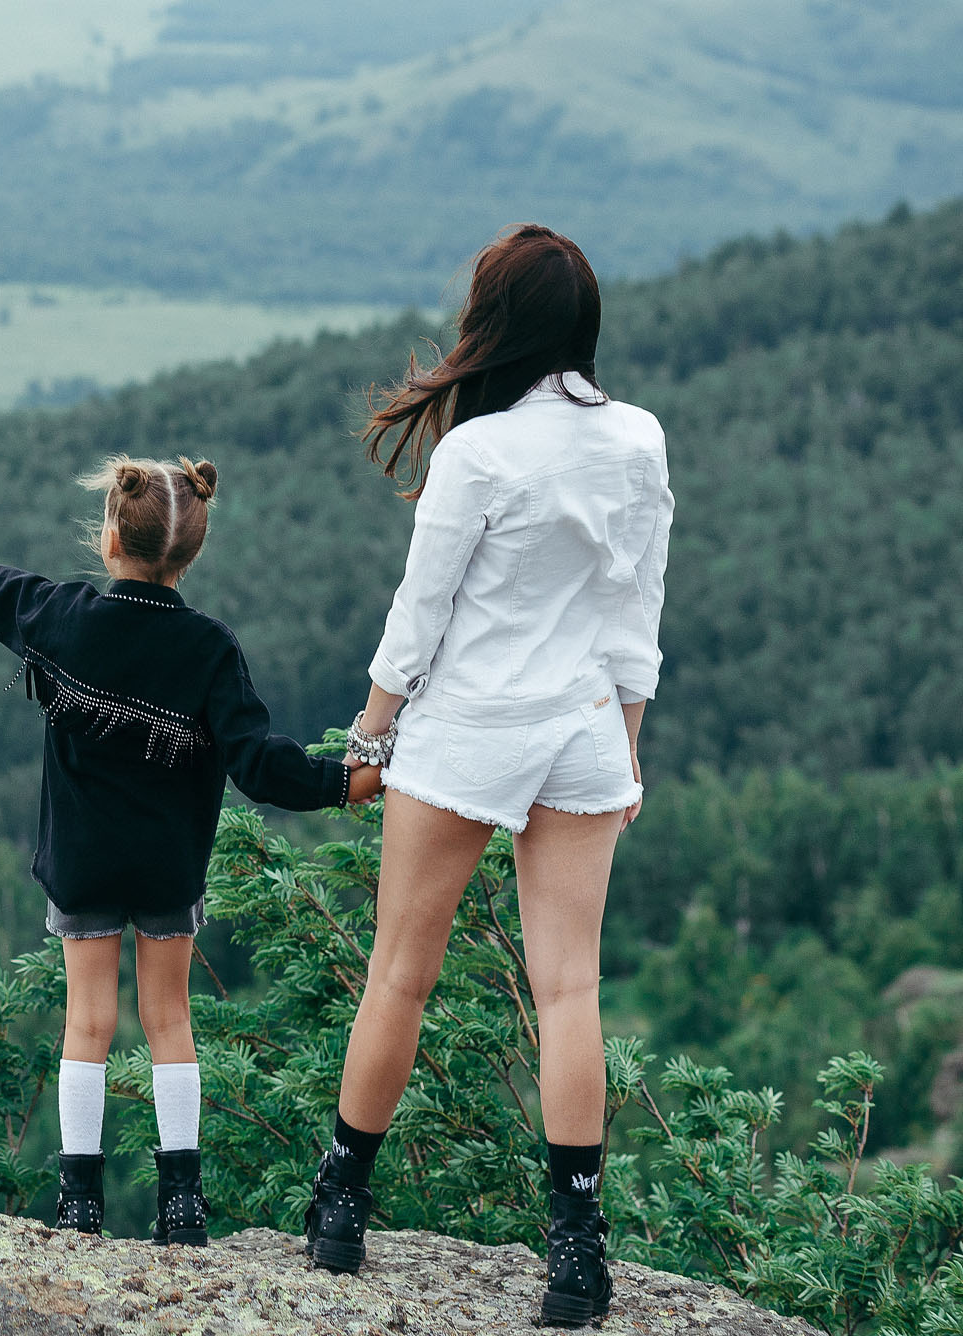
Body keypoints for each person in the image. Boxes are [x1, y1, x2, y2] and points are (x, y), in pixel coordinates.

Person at [302, 224, 672, 1329]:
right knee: (570, 992)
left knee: (399, 976)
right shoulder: (640, 439)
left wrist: (370, 740)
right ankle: (577, 1257)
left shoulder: (478, 452)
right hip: (584, 731)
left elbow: (419, 619)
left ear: (494, 324)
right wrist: (628, 745)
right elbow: (637, 613)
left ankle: (340, 1209)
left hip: (468, 731)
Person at [0, 454, 379, 1244]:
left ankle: (79, 1205)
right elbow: (258, 763)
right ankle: (181, 1206)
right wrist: (342, 782)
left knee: (88, 1023)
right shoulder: (208, 648)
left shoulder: (67, 618)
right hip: (168, 866)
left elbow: (4, 595)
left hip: (82, 862)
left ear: (110, 539)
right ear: (190, 553)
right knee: (168, 1020)